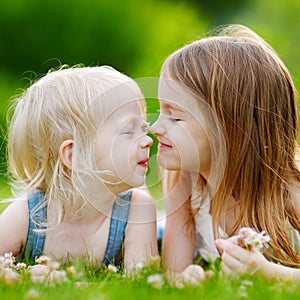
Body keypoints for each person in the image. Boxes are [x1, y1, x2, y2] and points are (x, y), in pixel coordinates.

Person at [150, 24, 300, 282]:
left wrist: (270, 273)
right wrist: (188, 277)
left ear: (231, 129)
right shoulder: (183, 179)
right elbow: (175, 272)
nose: (154, 128)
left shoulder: (292, 193)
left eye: (174, 117)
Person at [0, 65, 157, 272]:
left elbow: (140, 282)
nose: (148, 140)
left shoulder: (137, 209)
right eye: (128, 131)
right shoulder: (27, 216)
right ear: (74, 155)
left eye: (143, 128)